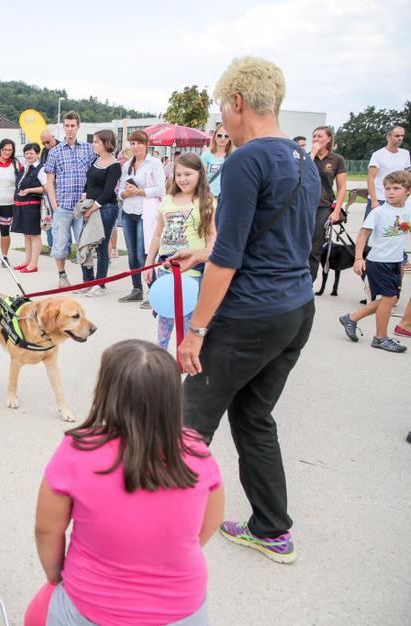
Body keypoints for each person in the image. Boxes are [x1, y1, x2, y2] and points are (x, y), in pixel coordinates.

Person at [169, 56, 320, 564]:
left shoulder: (245, 160)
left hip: (251, 314)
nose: (223, 121)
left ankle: (162, 535)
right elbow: (275, 242)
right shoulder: (303, 161)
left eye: (221, 108)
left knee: (189, 422)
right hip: (296, 309)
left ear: (237, 103)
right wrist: (203, 252)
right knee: (255, 417)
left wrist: (196, 330)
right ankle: (272, 529)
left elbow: (232, 257)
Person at [27, 339, 224, 626]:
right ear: (173, 396)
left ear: (106, 391)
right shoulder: (198, 451)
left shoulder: (77, 450)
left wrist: (56, 577)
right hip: (183, 610)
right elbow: (209, 524)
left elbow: (47, 530)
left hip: (89, 607)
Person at [143, 153, 217, 348]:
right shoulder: (167, 200)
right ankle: (161, 357)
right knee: (165, 316)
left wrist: (207, 262)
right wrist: (148, 263)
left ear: (200, 174)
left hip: (191, 271)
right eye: (178, 175)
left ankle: (185, 359)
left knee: (187, 319)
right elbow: (158, 234)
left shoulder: (207, 202)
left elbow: (212, 236)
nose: (183, 179)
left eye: (188, 174)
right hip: (165, 267)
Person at [339, 170, 411, 353]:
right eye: (387, 188)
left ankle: (351, 318)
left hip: (396, 262)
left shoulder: (407, 211)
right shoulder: (379, 212)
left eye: (396, 188)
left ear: (408, 191)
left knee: (390, 299)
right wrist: (358, 259)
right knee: (388, 298)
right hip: (379, 261)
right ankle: (380, 338)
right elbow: (363, 234)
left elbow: (406, 231)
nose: (390, 192)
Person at [117, 130, 166, 303]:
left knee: (143, 254)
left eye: (139, 143)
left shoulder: (154, 163)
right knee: (131, 255)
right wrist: (125, 194)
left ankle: (153, 292)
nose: (136, 146)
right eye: (133, 143)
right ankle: (136, 289)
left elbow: (161, 189)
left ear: (146, 144)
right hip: (128, 211)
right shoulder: (127, 165)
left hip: (145, 213)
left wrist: (140, 191)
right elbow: (120, 190)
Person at [45, 112, 93, 288]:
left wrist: (91, 201)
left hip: (82, 207)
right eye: (67, 125)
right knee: (60, 244)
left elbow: (94, 176)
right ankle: (62, 275)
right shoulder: (55, 152)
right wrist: (54, 206)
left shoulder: (88, 149)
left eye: (73, 125)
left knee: (85, 243)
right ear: (63, 127)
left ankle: (87, 280)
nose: (70, 129)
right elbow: (50, 182)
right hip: (63, 206)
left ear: (78, 126)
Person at [78, 129, 122, 297]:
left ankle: (99, 284)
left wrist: (93, 207)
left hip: (106, 208)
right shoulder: (95, 161)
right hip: (89, 207)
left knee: (102, 246)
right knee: (85, 243)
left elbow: (108, 191)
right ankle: (87, 281)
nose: (93, 144)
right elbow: (88, 184)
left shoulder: (114, 165)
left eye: (96, 141)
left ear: (106, 143)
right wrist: (84, 201)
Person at [307, 125, 348, 282]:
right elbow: (303, 174)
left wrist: (336, 211)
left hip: (324, 206)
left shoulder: (337, 159)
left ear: (329, 139)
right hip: (305, 205)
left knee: (315, 246)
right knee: (300, 244)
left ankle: (308, 283)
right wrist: (312, 154)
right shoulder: (307, 156)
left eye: (320, 136)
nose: (316, 139)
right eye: (314, 136)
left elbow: (342, 187)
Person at [11, 143, 48, 273]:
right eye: (27, 153)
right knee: (26, 234)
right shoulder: (25, 168)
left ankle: (33, 264)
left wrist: (29, 190)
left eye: (31, 153)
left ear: (37, 154)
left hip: (33, 205)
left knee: (34, 235)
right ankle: (27, 261)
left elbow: (46, 187)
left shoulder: (41, 169)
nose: (29, 155)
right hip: (21, 205)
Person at [366, 126, 409, 217]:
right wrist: (374, 201)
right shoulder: (378, 155)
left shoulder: (405, 154)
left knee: (395, 229)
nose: (400, 138)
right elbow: (370, 179)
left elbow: (407, 177)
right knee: (371, 229)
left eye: (402, 136)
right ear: (388, 137)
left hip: (398, 200)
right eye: (397, 136)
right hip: (380, 199)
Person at [201, 124, 233, 198]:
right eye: (219, 135)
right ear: (215, 136)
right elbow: (202, 178)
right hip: (209, 196)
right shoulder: (206, 155)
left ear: (230, 138)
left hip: (226, 197)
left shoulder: (233, 156)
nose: (223, 138)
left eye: (226, 136)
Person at [40, 129, 58, 249]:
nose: (46, 145)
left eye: (48, 141)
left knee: (59, 217)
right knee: (48, 217)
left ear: (53, 137)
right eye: (44, 143)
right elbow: (43, 168)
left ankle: (63, 245)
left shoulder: (62, 147)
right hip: (47, 188)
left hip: (59, 189)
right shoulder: (44, 151)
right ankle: (51, 244)